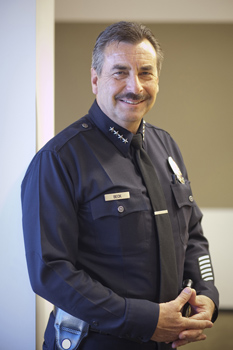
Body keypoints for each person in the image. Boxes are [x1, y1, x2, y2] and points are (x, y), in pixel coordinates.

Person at [21, 21, 219, 350]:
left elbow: (193, 234)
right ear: (95, 79)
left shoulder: (166, 145)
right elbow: (50, 272)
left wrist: (207, 295)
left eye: (145, 72)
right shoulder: (58, 160)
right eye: (120, 72)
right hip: (96, 342)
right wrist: (144, 320)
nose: (135, 86)